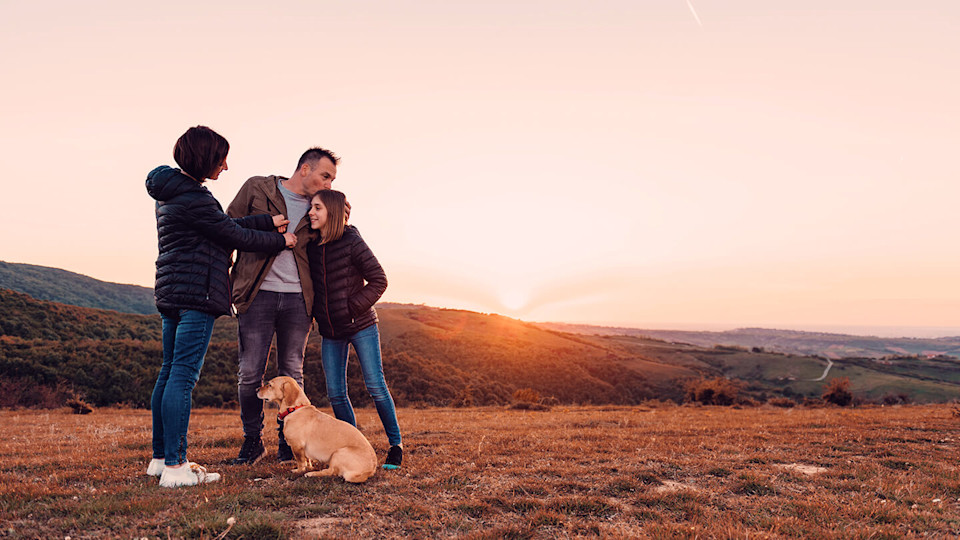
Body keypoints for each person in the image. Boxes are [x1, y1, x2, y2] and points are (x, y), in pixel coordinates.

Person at [145, 126, 297, 487]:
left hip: (171, 292)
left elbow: (221, 225)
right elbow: (234, 235)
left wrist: (264, 220)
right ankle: (177, 469)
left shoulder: (170, 193)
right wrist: (280, 240)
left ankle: (159, 460)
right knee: (183, 376)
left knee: (168, 372)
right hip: (197, 293)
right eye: (221, 158)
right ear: (205, 158)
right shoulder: (195, 197)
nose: (226, 166)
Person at [226, 148, 340, 465]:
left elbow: (332, 245)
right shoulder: (257, 188)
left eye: (332, 180)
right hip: (257, 293)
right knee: (250, 374)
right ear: (305, 169)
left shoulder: (320, 207)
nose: (328, 184)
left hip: (299, 300)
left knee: (293, 374)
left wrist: (341, 215)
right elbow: (227, 228)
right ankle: (252, 442)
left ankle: (287, 442)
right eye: (325, 176)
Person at [306, 189, 403, 469]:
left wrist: (351, 308)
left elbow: (379, 280)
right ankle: (354, 445)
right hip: (330, 331)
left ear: (332, 213)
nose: (311, 213)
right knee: (335, 392)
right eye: (311, 207)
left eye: (317, 208)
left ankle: (395, 445)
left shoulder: (351, 241)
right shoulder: (312, 247)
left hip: (360, 325)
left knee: (375, 386)